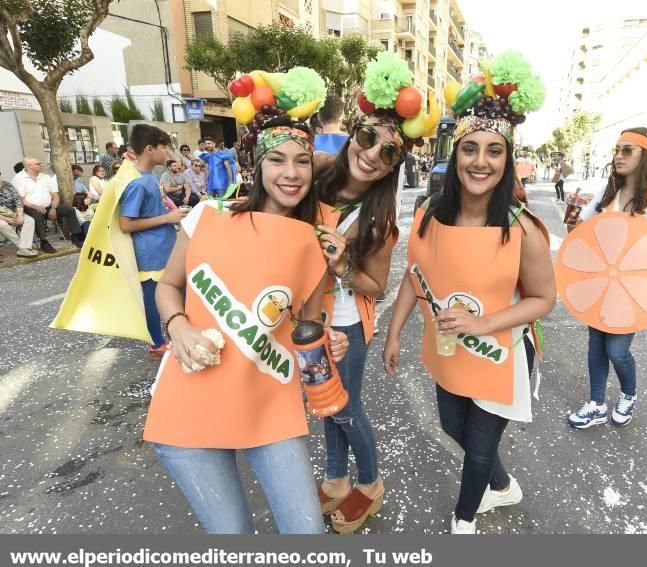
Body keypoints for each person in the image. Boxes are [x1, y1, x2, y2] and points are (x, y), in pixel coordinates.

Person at [144, 69, 349, 535]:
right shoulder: (208, 215)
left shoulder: (314, 240)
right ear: (257, 164)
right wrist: (178, 327)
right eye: (277, 160)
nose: (291, 173)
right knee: (232, 536)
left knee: (306, 533)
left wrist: (327, 341)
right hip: (190, 398)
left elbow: (307, 325)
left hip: (267, 403)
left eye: (301, 161)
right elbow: (167, 286)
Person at [383, 50, 554, 535]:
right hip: (449, 349)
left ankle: (464, 521)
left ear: (507, 159)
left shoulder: (523, 227)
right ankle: (502, 485)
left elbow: (544, 300)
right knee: (452, 428)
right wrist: (393, 334)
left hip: (500, 353)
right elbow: (415, 278)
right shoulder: (429, 215)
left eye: (494, 151)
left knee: (479, 446)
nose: (480, 162)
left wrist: (483, 323)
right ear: (454, 154)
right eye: (470, 149)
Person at [313, 52, 419, 534]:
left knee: (345, 406)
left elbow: (377, 286)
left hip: (348, 324)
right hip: (306, 318)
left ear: (394, 166)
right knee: (323, 403)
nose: (373, 154)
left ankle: (371, 485)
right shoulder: (311, 176)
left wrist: (345, 265)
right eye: (367, 138)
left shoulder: (380, 220)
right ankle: (336, 479)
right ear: (353, 133)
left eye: (389, 153)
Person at [568, 126, 647, 430]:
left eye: (627, 150)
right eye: (616, 150)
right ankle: (596, 404)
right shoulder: (610, 192)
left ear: (644, 154)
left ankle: (629, 395)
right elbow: (582, 230)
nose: (618, 156)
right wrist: (577, 213)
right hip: (601, 283)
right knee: (595, 346)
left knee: (616, 350)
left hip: (634, 289)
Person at [118, 125, 189, 360]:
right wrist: (167, 218)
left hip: (165, 247)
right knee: (152, 300)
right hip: (150, 253)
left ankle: (173, 334)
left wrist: (173, 211)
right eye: (164, 147)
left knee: (178, 293)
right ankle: (156, 343)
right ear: (149, 149)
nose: (167, 153)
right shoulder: (137, 182)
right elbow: (126, 223)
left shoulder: (149, 176)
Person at [12, 157, 83, 252]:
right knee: (37, 213)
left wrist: (53, 208)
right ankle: (43, 241)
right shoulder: (19, 178)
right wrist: (34, 206)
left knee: (70, 209)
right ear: (30, 166)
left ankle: (75, 237)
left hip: (49, 206)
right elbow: (20, 199)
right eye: (38, 164)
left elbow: (55, 196)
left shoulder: (45, 177)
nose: (41, 165)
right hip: (29, 207)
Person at [0, 171, 37, 257]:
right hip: (1, 216)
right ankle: (23, 247)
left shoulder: (8, 186)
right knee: (2, 225)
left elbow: (18, 202)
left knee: (29, 221)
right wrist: (7, 219)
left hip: (14, 212)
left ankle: (24, 248)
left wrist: (20, 216)